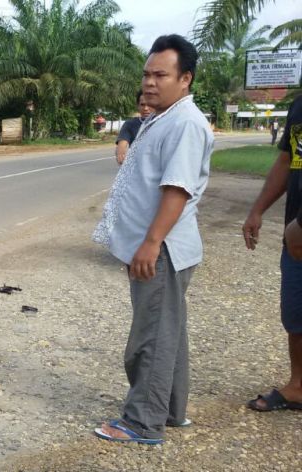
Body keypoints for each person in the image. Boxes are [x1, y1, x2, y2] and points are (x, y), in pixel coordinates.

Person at [91, 34, 213, 444]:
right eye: (146, 74)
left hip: (163, 250)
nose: (149, 82)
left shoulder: (185, 123)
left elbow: (176, 190)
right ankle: (170, 411)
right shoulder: (163, 118)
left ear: (185, 79)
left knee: (151, 338)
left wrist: (150, 243)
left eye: (160, 74)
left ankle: (143, 422)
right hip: (158, 247)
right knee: (168, 333)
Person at [241, 94, 302, 412]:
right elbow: (288, 160)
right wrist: (257, 210)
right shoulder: (300, 105)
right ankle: (298, 386)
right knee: (296, 312)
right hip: (296, 238)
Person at [115, 90, 153, 165]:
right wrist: (120, 154)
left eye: (149, 104)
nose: (146, 108)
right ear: (138, 106)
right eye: (142, 105)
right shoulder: (130, 124)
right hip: (137, 167)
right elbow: (122, 144)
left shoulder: (165, 122)